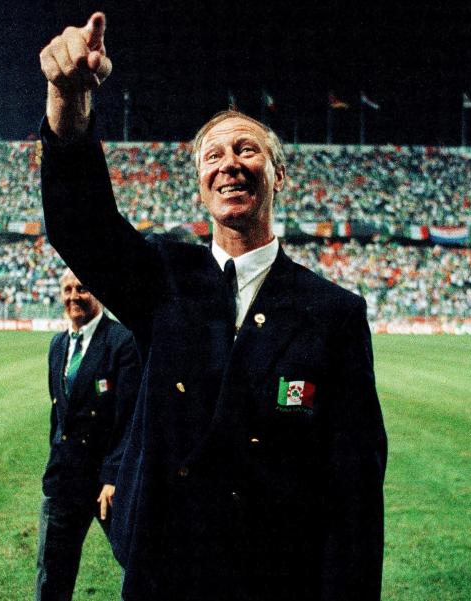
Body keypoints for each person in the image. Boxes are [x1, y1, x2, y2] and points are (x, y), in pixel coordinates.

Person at [38, 12, 387, 601]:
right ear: (202, 185)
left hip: (276, 584)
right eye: (212, 156)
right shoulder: (164, 280)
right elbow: (81, 225)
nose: (229, 162)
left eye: (246, 150)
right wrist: (67, 100)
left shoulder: (333, 314)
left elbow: (353, 491)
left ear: (277, 174)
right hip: (164, 578)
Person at [36, 268, 140, 601]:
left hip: (107, 484)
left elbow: (129, 416)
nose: (73, 297)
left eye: (82, 288)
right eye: (67, 290)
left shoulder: (122, 341)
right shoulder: (58, 344)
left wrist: (113, 476)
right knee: (51, 575)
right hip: (65, 478)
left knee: (138, 566)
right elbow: (59, 414)